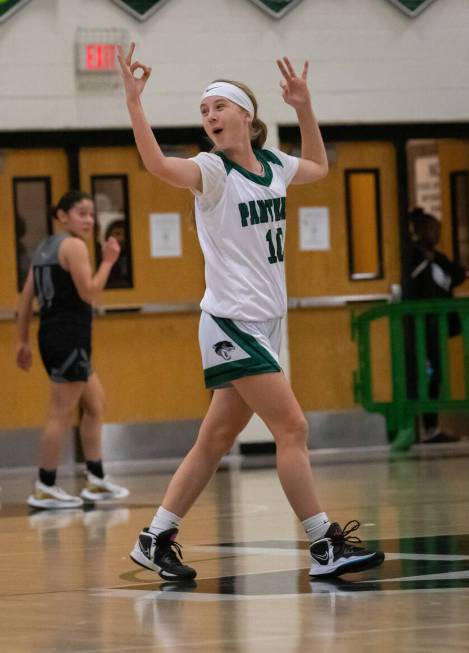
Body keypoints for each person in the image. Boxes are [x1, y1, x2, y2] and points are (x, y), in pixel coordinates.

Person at [117, 43, 385, 580]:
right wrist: (134, 103)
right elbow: (155, 164)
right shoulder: (211, 171)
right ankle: (323, 546)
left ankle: (155, 538)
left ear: (247, 115)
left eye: (219, 106)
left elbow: (319, 165)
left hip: (264, 324)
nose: (210, 116)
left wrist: (304, 107)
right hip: (230, 321)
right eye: (204, 110)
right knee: (293, 427)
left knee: (215, 439)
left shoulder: (272, 166)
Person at [16, 190, 130, 509]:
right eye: (81, 213)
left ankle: (95, 479)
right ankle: (45, 485)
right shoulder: (75, 246)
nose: (89, 219)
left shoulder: (43, 248)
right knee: (60, 413)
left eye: (92, 213)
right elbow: (89, 291)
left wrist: (22, 341)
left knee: (95, 404)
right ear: (62, 216)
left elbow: (25, 300)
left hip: (52, 335)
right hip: (69, 336)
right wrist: (108, 262)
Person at [402, 207, 466, 443]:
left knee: (435, 376)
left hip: (435, 328)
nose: (437, 234)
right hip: (420, 328)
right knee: (425, 375)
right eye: (433, 230)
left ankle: (432, 425)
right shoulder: (412, 258)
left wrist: (434, 257)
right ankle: (423, 427)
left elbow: (458, 274)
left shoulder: (437, 258)